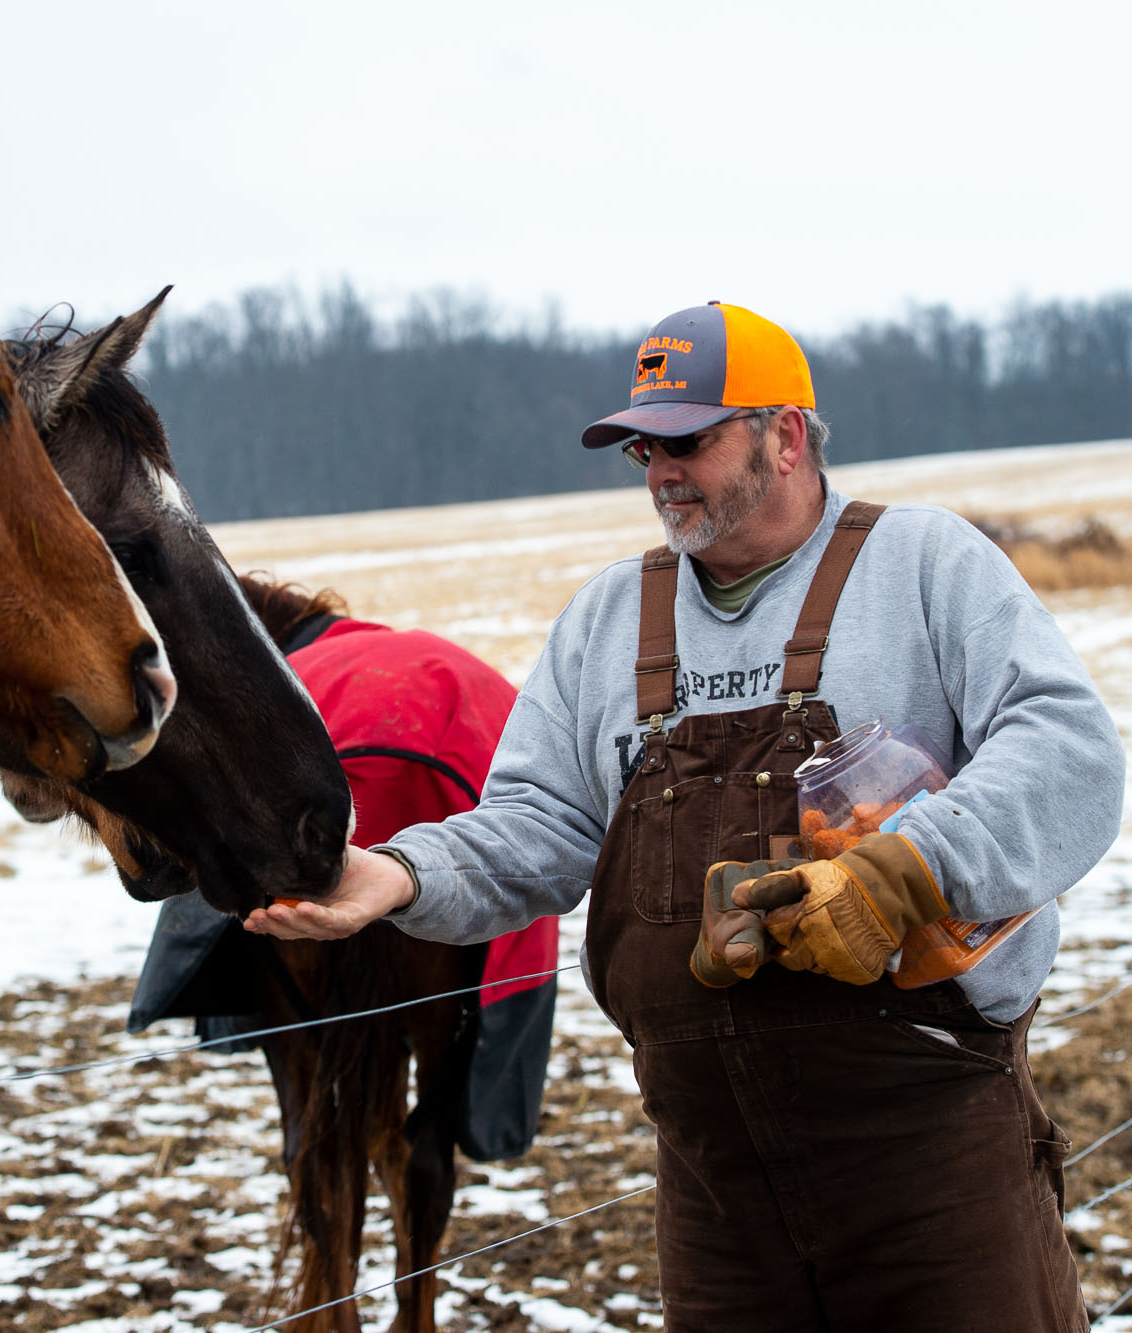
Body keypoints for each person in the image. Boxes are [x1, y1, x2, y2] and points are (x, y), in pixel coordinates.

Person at [245, 301, 1124, 1331]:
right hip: (713, 1190)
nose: (659, 471)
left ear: (783, 434)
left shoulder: (925, 564)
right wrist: (394, 875)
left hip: (929, 1156)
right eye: (642, 449)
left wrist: (904, 872)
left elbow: (1069, 750)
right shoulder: (609, 619)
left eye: (687, 441)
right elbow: (535, 825)